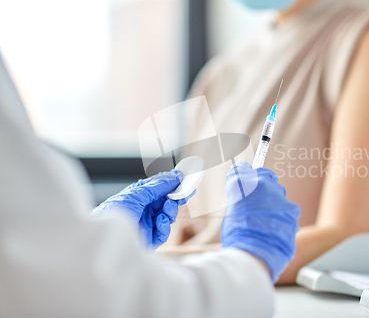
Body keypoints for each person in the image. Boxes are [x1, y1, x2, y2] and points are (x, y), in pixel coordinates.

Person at [0, 52, 300, 317]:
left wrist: (97, 236)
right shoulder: (222, 70)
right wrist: (252, 258)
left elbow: (25, 266)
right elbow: (96, 299)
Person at [164, 0, 369, 284]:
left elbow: (348, 240)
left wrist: (154, 268)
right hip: (213, 296)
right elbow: (185, 229)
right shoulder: (222, 70)